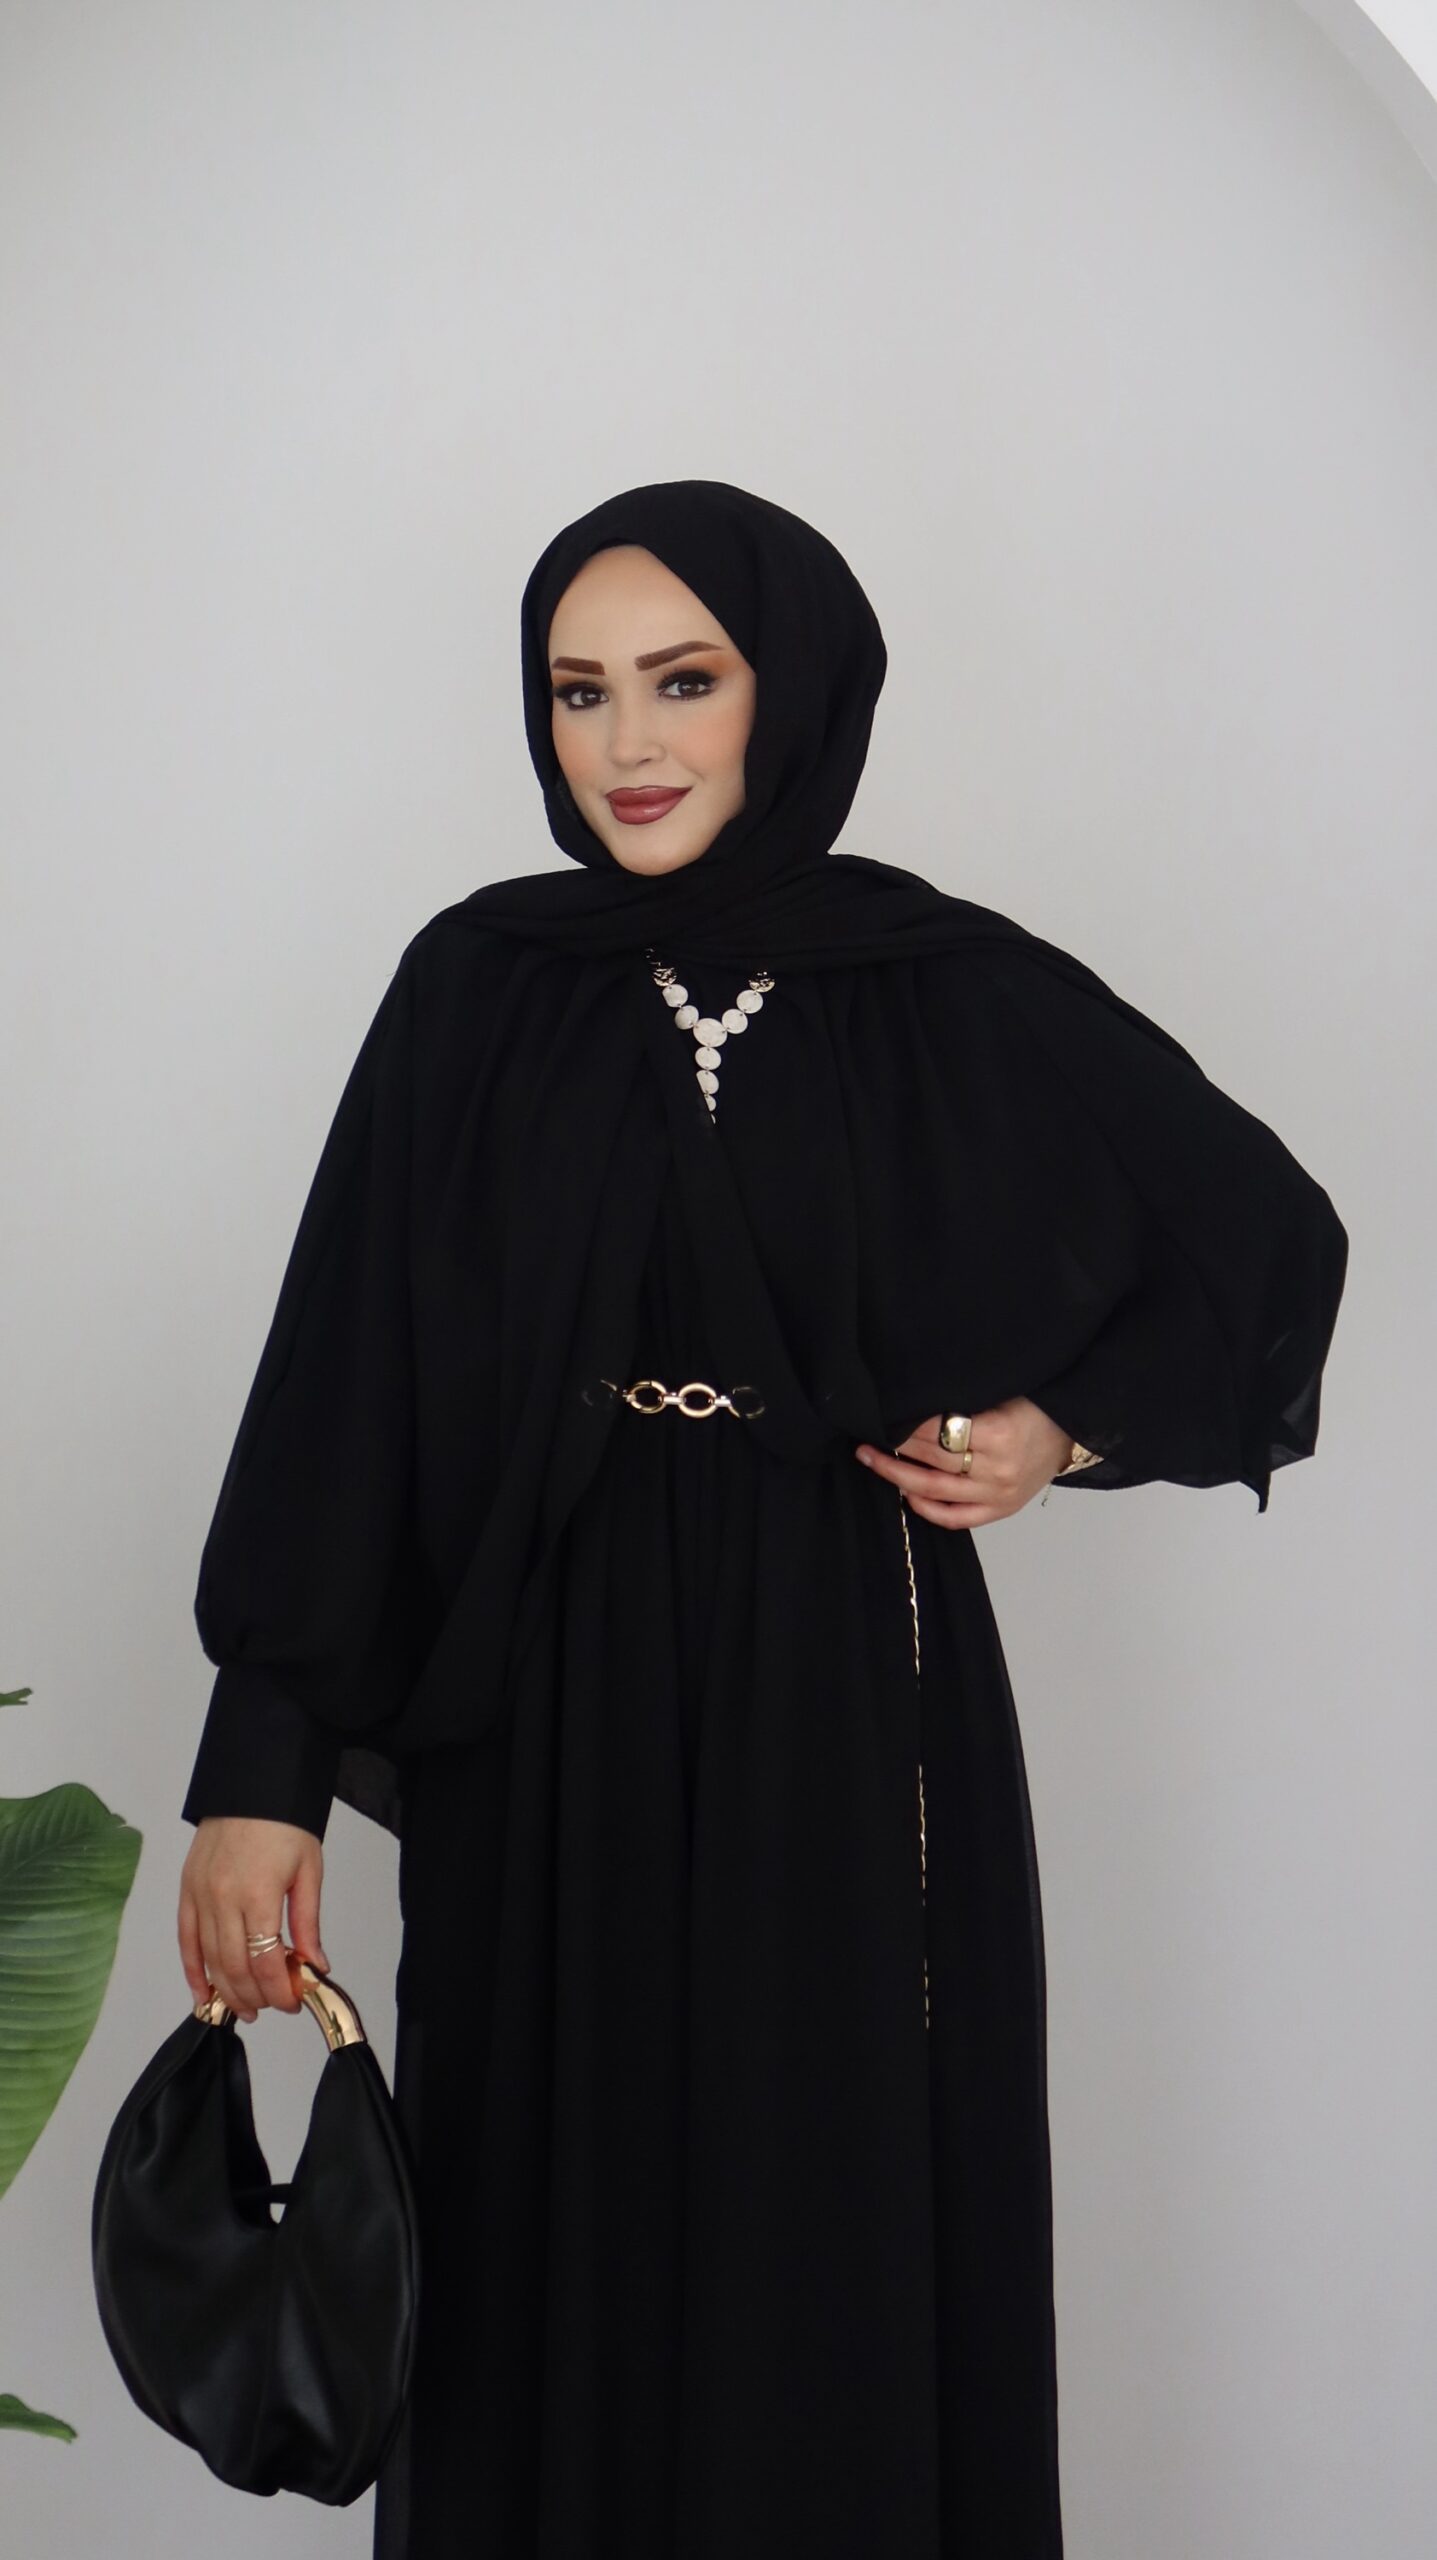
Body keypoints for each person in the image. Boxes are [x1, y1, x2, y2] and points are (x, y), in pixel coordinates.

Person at [176, 478, 1348, 2558]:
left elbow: (1258, 1240)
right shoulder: (480, 987)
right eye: (579, 692)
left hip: (849, 1667)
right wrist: (260, 1773)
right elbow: (349, 1385)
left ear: (786, 692)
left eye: (682, 682)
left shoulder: (932, 983)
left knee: (829, 2198)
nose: (627, 744)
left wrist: (1056, 1430)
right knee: (543, 2211)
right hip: (542, 1691)